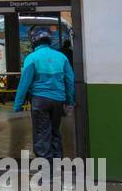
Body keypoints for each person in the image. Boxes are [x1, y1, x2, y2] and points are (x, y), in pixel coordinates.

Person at [13, 27, 76, 160]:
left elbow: (24, 83)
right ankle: (57, 167)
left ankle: (47, 173)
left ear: (34, 41)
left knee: (42, 135)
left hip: (40, 101)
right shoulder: (61, 57)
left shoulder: (31, 58)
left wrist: (18, 104)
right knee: (55, 132)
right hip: (58, 100)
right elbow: (70, 81)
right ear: (49, 41)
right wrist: (69, 101)